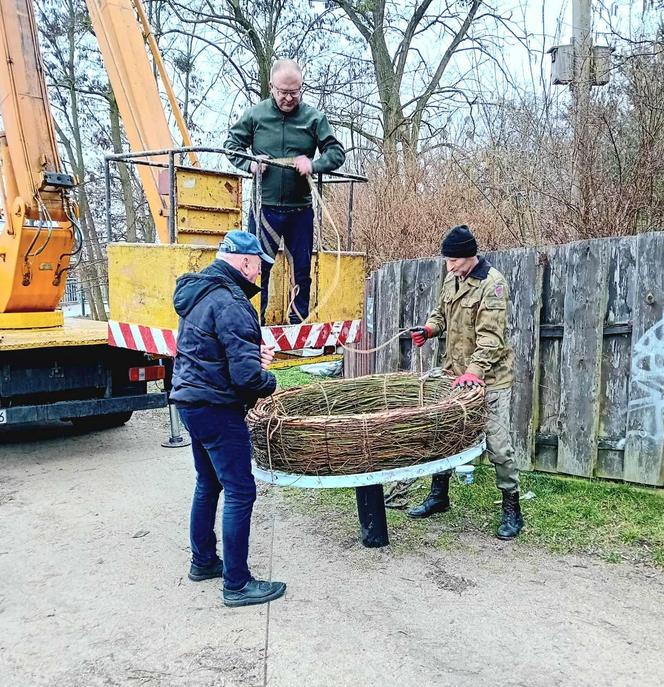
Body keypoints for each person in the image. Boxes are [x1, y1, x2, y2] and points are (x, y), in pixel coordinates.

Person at [170, 230, 287, 607]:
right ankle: (237, 584)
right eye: (258, 267)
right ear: (245, 261)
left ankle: (204, 561)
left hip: (190, 403)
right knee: (240, 490)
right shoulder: (232, 303)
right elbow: (246, 378)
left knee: (208, 483)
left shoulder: (199, 295)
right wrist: (267, 377)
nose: (259, 275)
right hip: (217, 408)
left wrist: (253, 362)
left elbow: (215, 356)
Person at [408, 225, 524, 540]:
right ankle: (438, 496)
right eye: (447, 261)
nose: (449, 267)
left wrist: (473, 372)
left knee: (498, 445)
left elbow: (491, 341)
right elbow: (440, 314)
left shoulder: (492, 285)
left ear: (469, 255)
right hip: (453, 374)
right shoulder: (452, 277)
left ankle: (512, 509)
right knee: (442, 435)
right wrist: (430, 330)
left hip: (488, 379)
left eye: (454, 261)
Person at [224, 58, 345, 325]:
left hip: (300, 211)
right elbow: (231, 146)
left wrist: (313, 164)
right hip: (264, 209)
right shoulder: (256, 115)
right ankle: (254, 326)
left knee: (301, 271)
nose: (289, 98)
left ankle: (297, 325)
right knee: (257, 269)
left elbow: (337, 153)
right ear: (271, 87)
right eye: (283, 92)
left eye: (295, 92)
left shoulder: (314, 118)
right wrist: (250, 164)